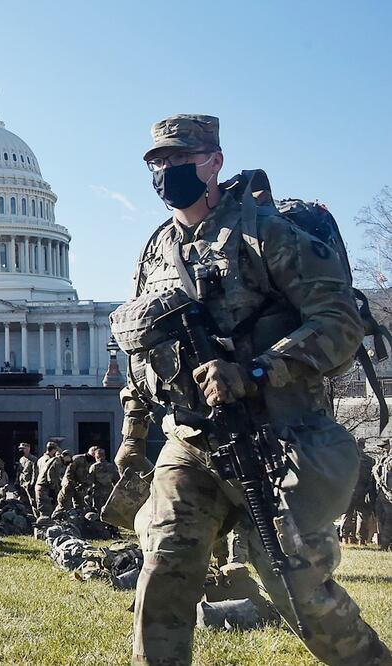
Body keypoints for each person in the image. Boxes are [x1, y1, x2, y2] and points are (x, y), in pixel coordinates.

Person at [119, 113, 390, 665]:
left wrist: (258, 371)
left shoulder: (265, 233)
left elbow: (338, 322)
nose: (167, 171)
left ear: (214, 161)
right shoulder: (154, 251)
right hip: (191, 442)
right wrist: (133, 431)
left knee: (296, 590)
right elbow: (144, 350)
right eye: (158, 162)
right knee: (164, 571)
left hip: (273, 439)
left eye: (180, 159)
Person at [57, 447, 94, 512]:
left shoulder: (93, 463)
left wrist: (84, 486)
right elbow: (69, 474)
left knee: (80, 506)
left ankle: (77, 519)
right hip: (69, 485)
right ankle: (56, 518)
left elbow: (89, 477)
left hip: (80, 487)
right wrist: (75, 485)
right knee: (64, 505)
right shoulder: (77, 459)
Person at [34, 442, 63, 518]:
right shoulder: (49, 460)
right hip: (46, 487)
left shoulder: (40, 459)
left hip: (40, 485)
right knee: (47, 510)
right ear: (53, 450)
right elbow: (50, 474)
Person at [88, 447, 119, 512]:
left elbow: (89, 481)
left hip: (98, 493)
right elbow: (116, 481)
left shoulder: (94, 467)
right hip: (109, 493)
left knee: (98, 511)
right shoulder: (111, 466)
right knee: (108, 511)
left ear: (96, 456)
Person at [14, 442, 38, 513]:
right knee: (22, 501)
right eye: (20, 449)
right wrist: (17, 482)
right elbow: (19, 471)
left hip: (29, 483)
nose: (21, 450)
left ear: (28, 449)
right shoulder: (21, 459)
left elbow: (35, 472)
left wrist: (32, 483)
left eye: (23, 449)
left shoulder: (33, 459)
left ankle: (35, 515)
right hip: (22, 483)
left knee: (32, 501)